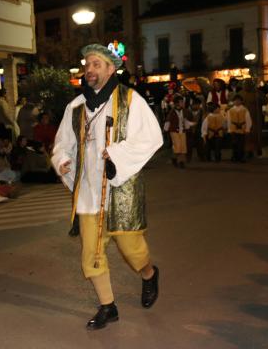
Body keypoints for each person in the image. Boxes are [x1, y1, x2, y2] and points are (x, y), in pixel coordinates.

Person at [51, 43, 163, 330]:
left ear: (111, 69)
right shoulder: (75, 107)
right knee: (91, 254)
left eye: (96, 64)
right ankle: (107, 306)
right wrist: (62, 159)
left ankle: (149, 274)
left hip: (121, 189)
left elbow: (152, 138)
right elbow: (63, 142)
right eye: (87, 64)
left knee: (132, 249)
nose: (89, 70)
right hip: (89, 193)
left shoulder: (130, 100)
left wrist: (117, 154)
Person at [164, 95, 193, 168]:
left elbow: (186, 121)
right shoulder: (172, 112)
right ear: (176, 103)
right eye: (181, 102)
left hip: (182, 130)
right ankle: (180, 162)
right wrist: (165, 130)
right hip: (174, 131)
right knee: (178, 146)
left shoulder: (185, 111)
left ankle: (178, 160)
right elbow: (168, 121)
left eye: (182, 101)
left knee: (183, 147)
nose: (183, 103)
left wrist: (190, 126)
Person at [227, 95, 252, 163]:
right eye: (235, 100)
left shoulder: (245, 110)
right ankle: (234, 156)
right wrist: (229, 129)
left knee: (241, 143)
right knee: (234, 143)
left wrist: (247, 129)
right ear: (233, 102)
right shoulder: (230, 110)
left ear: (241, 101)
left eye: (238, 100)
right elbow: (229, 120)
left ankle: (241, 157)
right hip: (233, 128)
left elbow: (248, 120)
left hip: (242, 128)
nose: (237, 102)